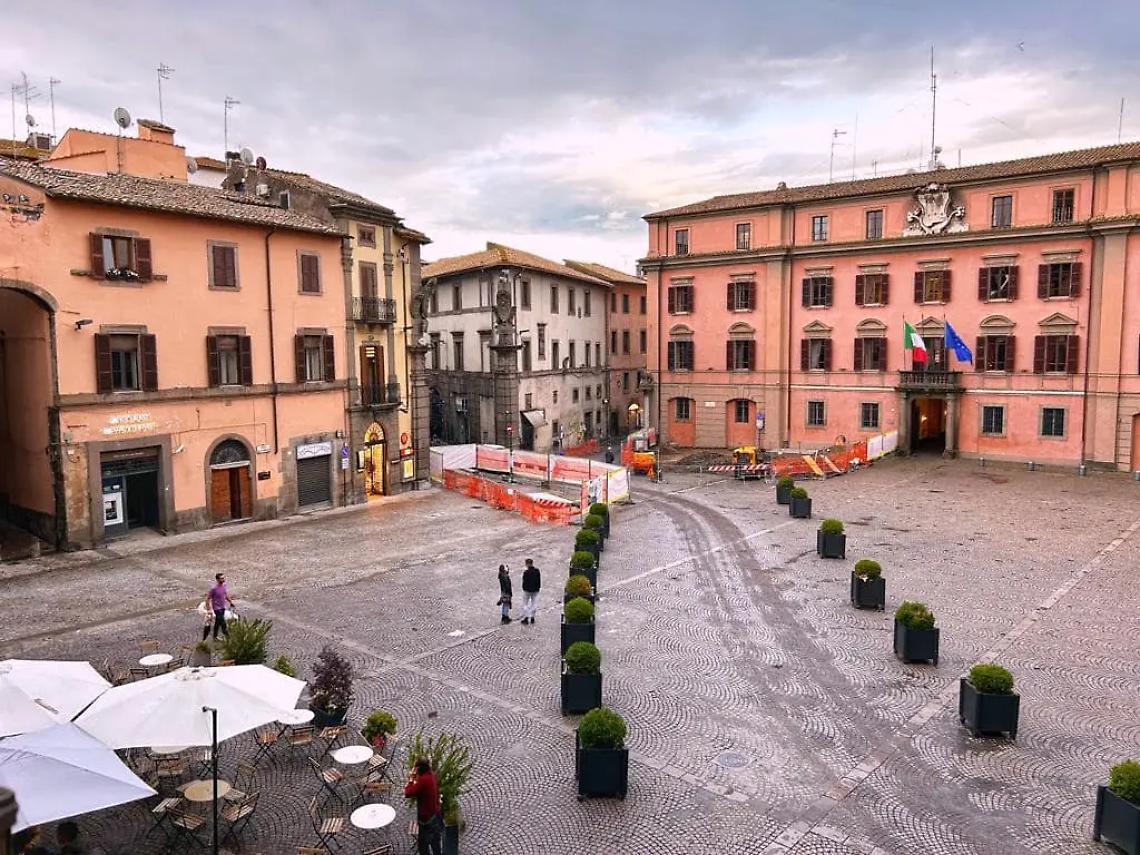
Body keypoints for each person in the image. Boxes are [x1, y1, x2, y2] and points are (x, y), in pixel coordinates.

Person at [404, 756, 443, 855]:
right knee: (436, 845)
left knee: (423, 847)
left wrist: (411, 779)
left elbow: (408, 793)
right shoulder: (432, 775)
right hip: (436, 815)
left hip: (426, 820)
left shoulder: (423, 781)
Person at [204, 572, 234, 640]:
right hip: (217, 608)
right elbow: (207, 598)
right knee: (223, 623)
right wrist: (209, 609)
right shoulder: (214, 588)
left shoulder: (224, 585)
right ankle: (228, 638)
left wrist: (230, 602)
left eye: (223, 578)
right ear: (217, 580)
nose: (223, 580)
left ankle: (215, 637)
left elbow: (225, 594)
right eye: (221, 578)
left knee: (217, 623)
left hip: (223, 607)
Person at [520, 558, 541, 625]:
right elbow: (539, 580)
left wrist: (524, 588)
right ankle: (532, 617)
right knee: (534, 603)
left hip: (527, 590)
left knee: (525, 604)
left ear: (527, 564)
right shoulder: (537, 571)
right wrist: (538, 588)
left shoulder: (526, 572)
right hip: (535, 590)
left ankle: (526, 617)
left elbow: (524, 581)